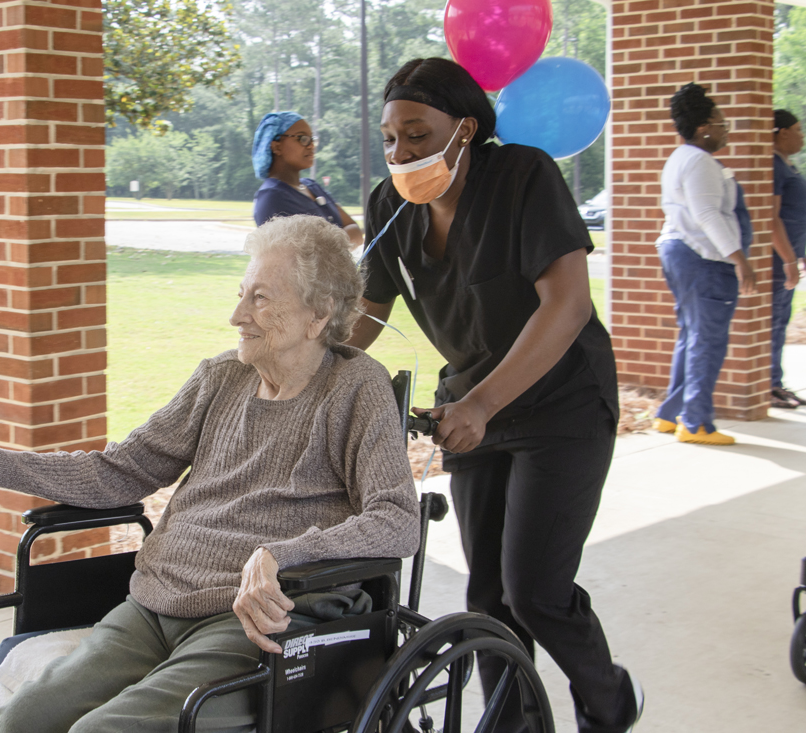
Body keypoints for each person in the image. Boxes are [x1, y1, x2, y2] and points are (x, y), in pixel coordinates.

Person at [0, 215, 419, 733]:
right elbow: (122, 470)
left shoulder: (355, 388)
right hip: (153, 606)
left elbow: (397, 521)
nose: (236, 315)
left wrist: (283, 553)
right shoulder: (220, 378)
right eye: (241, 293)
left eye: (259, 298)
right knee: (24, 721)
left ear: (318, 313)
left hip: (255, 623)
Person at [345, 57, 642, 733]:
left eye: (418, 134)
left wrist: (481, 403)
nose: (402, 152)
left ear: (466, 128)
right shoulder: (392, 206)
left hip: (561, 401)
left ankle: (609, 697)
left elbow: (566, 306)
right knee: (488, 599)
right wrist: (309, 368)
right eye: (390, 139)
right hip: (470, 406)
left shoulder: (523, 177)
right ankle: (513, 724)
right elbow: (367, 309)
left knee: (535, 590)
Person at [649, 82, 758, 444]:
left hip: (682, 253)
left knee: (692, 335)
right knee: (707, 340)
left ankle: (669, 414)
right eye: (721, 123)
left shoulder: (680, 158)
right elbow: (708, 214)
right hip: (703, 259)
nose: (726, 129)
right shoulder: (699, 161)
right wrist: (739, 259)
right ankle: (696, 423)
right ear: (703, 127)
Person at [251, 111, 363, 246]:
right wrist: (340, 240)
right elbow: (302, 257)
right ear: (276, 146)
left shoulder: (312, 186)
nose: (311, 145)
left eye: (312, 139)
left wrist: (329, 245)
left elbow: (355, 231)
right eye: (302, 138)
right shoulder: (272, 197)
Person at [771, 109, 806, 408]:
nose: (801, 134)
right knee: (773, 321)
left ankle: (776, 382)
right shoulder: (775, 166)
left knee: (781, 320)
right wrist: (788, 259)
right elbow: (772, 219)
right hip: (776, 261)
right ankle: (769, 384)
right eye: (798, 129)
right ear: (781, 132)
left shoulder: (787, 165)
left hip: (790, 257)